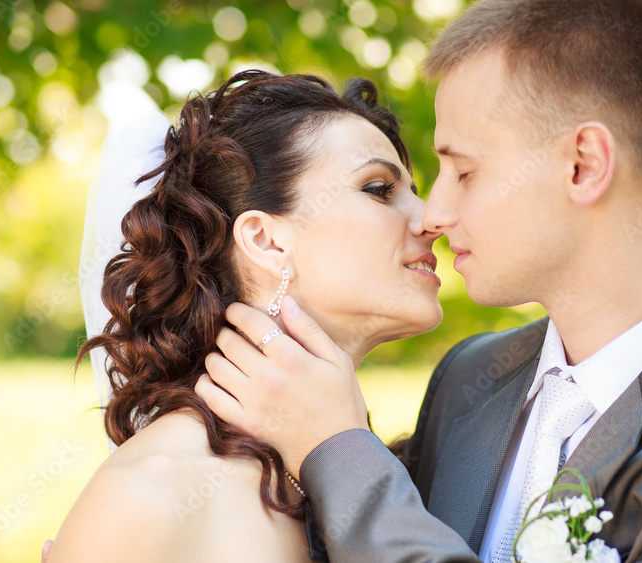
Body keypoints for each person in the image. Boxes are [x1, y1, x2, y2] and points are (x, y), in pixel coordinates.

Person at [195, 0, 642, 561]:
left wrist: (335, 449)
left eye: (465, 171)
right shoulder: (469, 377)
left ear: (584, 166)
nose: (436, 213)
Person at [43, 70, 445, 562]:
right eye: (379, 189)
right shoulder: (150, 493)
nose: (431, 217)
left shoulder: (370, 469)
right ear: (265, 240)